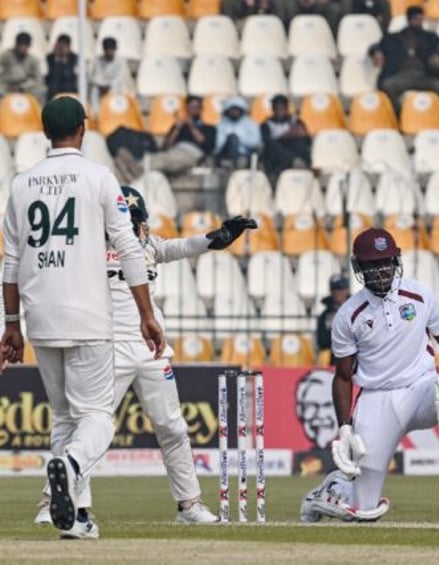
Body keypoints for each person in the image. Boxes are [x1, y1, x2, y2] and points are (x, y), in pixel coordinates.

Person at [33, 187, 256, 526]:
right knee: (89, 428)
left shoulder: (149, 246)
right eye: (127, 221)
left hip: (150, 350)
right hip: (106, 351)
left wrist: (220, 237)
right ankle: (59, 503)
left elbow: (183, 246)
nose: (136, 229)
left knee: (173, 428)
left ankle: (189, 505)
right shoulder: (85, 250)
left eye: (138, 221)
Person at [1, 96, 165, 539]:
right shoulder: (98, 177)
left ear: (44, 132)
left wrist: (11, 324)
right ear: (83, 129)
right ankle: (70, 465)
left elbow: (10, 262)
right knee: (96, 418)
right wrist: (147, 314)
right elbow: (130, 248)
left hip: (41, 316)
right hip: (89, 312)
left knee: (64, 418)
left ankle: (75, 517)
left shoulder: (22, 183)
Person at [300, 228, 439, 524]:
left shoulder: (420, 295)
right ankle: (332, 490)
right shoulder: (349, 314)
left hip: (422, 389)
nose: (380, 271)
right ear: (358, 267)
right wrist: (345, 428)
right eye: (372, 264)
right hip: (377, 403)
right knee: (363, 510)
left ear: (396, 260)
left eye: (386, 262)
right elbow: (344, 377)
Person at [114, 95, 216, 180]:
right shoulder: (179, 126)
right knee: (156, 157)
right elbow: (167, 146)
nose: (193, 110)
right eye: (191, 107)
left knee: (166, 161)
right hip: (175, 150)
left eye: (196, 107)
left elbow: (204, 143)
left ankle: (134, 170)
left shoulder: (208, 128)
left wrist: (192, 125)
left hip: (193, 153)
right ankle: (134, 168)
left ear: (201, 109)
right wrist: (177, 129)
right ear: (187, 108)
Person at [370, 6, 439, 105]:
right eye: (416, 19)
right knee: (387, 85)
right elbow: (375, 46)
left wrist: (438, 53)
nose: (419, 22)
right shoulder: (394, 38)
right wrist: (376, 52)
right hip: (401, 74)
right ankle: (398, 113)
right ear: (409, 19)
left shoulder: (429, 37)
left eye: (420, 19)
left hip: (423, 75)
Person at [260, 94, 311, 184]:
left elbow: (307, 140)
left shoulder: (296, 122)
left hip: (293, 150)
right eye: (277, 109)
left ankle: (301, 164)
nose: (280, 111)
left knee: (301, 142)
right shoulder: (266, 125)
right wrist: (285, 137)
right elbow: (267, 142)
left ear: (286, 109)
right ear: (273, 109)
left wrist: (301, 134)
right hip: (276, 157)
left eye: (282, 109)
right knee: (273, 145)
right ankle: (293, 161)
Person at [215, 96, 261, 168]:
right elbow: (219, 144)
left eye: (237, 109)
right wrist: (233, 139)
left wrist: (238, 138)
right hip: (226, 154)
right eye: (232, 109)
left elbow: (254, 142)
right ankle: (232, 163)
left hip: (245, 154)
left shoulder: (251, 123)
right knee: (232, 138)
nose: (234, 112)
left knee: (234, 137)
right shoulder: (222, 124)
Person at [89, 37, 134, 112]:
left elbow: (120, 78)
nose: (109, 51)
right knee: (94, 90)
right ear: (104, 49)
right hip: (101, 88)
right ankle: (96, 114)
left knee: (119, 87)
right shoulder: (97, 60)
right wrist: (102, 86)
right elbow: (93, 77)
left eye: (111, 49)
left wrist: (109, 86)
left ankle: (115, 113)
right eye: (107, 49)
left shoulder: (121, 61)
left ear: (115, 49)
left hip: (116, 88)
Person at [315, 274, 350, 366]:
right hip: (333, 354)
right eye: (335, 290)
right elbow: (322, 340)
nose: (338, 293)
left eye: (341, 289)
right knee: (324, 355)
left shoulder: (356, 309)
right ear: (331, 292)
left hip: (354, 352)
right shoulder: (325, 315)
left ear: (347, 290)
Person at [0, 32, 45, 101]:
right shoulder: (6, 55)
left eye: (26, 46)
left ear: (29, 46)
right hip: (7, 85)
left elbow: (38, 79)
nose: (23, 48)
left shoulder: (33, 60)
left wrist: (23, 86)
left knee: (41, 90)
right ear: (16, 45)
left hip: (25, 87)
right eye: (21, 45)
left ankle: (37, 111)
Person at [45, 35, 78, 101]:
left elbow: (72, 75)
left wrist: (65, 63)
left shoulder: (74, 58)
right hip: (54, 87)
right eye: (60, 47)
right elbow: (50, 76)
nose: (61, 49)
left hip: (70, 86)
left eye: (64, 47)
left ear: (69, 47)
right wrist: (57, 60)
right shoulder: (50, 58)